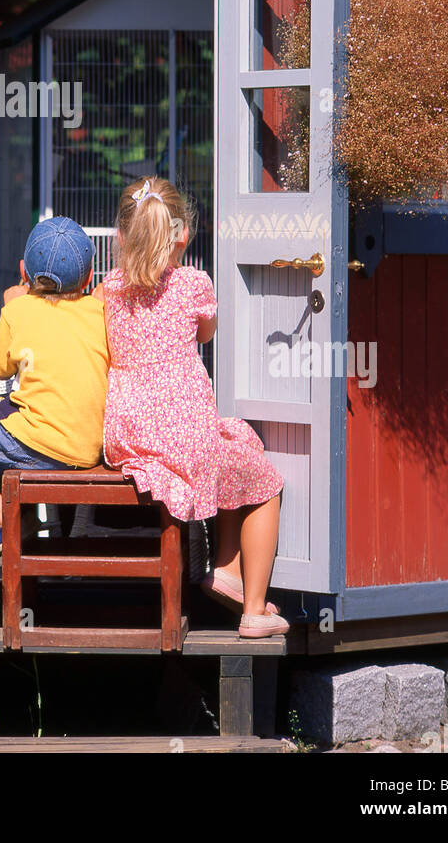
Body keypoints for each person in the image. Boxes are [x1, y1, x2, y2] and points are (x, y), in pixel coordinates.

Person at [99, 177, 288, 638]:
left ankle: (225, 569)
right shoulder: (193, 283)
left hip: (127, 435)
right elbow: (206, 333)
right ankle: (255, 609)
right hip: (181, 435)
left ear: (121, 236)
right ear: (181, 235)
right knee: (260, 478)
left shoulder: (110, 287)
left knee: (232, 442)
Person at [0, 216, 109, 568]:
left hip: (41, 447)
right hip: (89, 448)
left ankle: (5, 518)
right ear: (91, 277)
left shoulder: (18, 309)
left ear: (23, 272)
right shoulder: (99, 310)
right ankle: (21, 514)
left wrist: (10, 304)